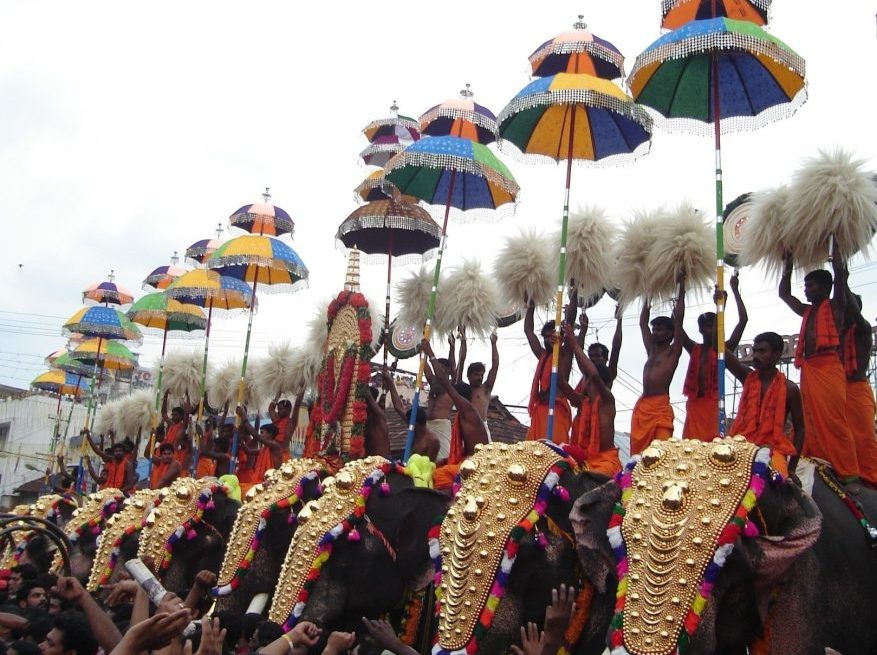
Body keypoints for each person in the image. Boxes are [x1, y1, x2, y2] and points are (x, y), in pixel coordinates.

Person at [779, 247, 860, 481]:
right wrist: (788, 264)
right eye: (805, 286)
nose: (806, 290)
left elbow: (840, 279)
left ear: (826, 288)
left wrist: (837, 251)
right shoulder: (806, 311)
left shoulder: (836, 306)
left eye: (810, 286)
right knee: (807, 419)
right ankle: (811, 461)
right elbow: (784, 294)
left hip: (829, 368)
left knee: (834, 419)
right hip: (809, 369)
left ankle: (848, 473)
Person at [725, 332, 804, 478]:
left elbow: (800, 430)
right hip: (742, 447)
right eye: (754, 351)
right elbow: (721, 350)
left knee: (779, 484)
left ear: (776, 354)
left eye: (762, 351)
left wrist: (792, 468)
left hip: (774, 450)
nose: (755, 356)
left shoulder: (791, 389)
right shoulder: (747, 376)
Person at [681, 273, 748, 440]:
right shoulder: (694, 348)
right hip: (695, 404)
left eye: (713, 325)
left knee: (714, 446)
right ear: (700, 329)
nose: (709, 329)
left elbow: (743, 320)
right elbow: (678, 328)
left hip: (714, 404)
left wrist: (729, 298)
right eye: (706, 326)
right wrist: (680, 288)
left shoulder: (725, 348)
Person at [631, 272, 686, 455]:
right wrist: (648, 292)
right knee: (640, 457)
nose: (654, 332)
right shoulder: (651, 350)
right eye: (654, 329)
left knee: (661, 453)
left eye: (659, 329)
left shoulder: (673, 351)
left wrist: (681, 287)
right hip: (644, 406)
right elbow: (642, 323)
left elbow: (678, 318)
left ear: (670, 334)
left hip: (660, 408)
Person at [562, 325, 622, 476]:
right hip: (585, 458)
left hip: (605, 460)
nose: (584, 384)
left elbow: (594, 374)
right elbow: (561, 383)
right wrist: (563, 347)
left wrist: (574, 343)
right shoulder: (585, 403)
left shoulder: (607, 398)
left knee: (592, 477)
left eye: (587, 381)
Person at [840, 280, 877, 485]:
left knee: (863, 440)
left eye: (846, 305)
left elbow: (854, 314)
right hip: (836, 392)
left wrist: (842, 279)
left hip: (856, 392)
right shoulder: (833, 334)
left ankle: (871, 481)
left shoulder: (862, 330)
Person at [524, 304, 572, 442]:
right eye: (546, 337)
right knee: (535, 455)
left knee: (555, 454)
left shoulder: (564, 354)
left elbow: (569, 325)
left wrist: (568, 315)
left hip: (557, 410)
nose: (549, 339)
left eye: (553, 336)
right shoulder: (542, 355)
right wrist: (531, 304)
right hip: (541, 410)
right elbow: (528, 330)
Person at [382, 368, 439, 461]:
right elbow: (398, 407)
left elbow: (429, 466)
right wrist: (390, 383)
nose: (407, 424)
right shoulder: (413, 424)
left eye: (409, 423)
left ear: (415, 424)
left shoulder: (432, 441)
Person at [456, 331, 499, 440]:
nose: (480, 377)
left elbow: (495, 364)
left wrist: (493, 343)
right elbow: (461, 361)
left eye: (481, 375)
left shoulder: (485, 389)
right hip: (465, 428)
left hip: (482, 428)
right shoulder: (463, 389)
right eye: (476, 374)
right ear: (469, 376)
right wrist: (463, 339)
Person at [160, 391, 191, 472]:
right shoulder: (171, 425)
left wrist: (188, 397)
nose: (173, 416)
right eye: (172, 415)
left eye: (175, 415)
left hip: (173, 456)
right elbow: (163, 413)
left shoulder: (183, 427)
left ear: (181, 416)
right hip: (164, 454)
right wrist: (165, 396)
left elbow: (187, 412)